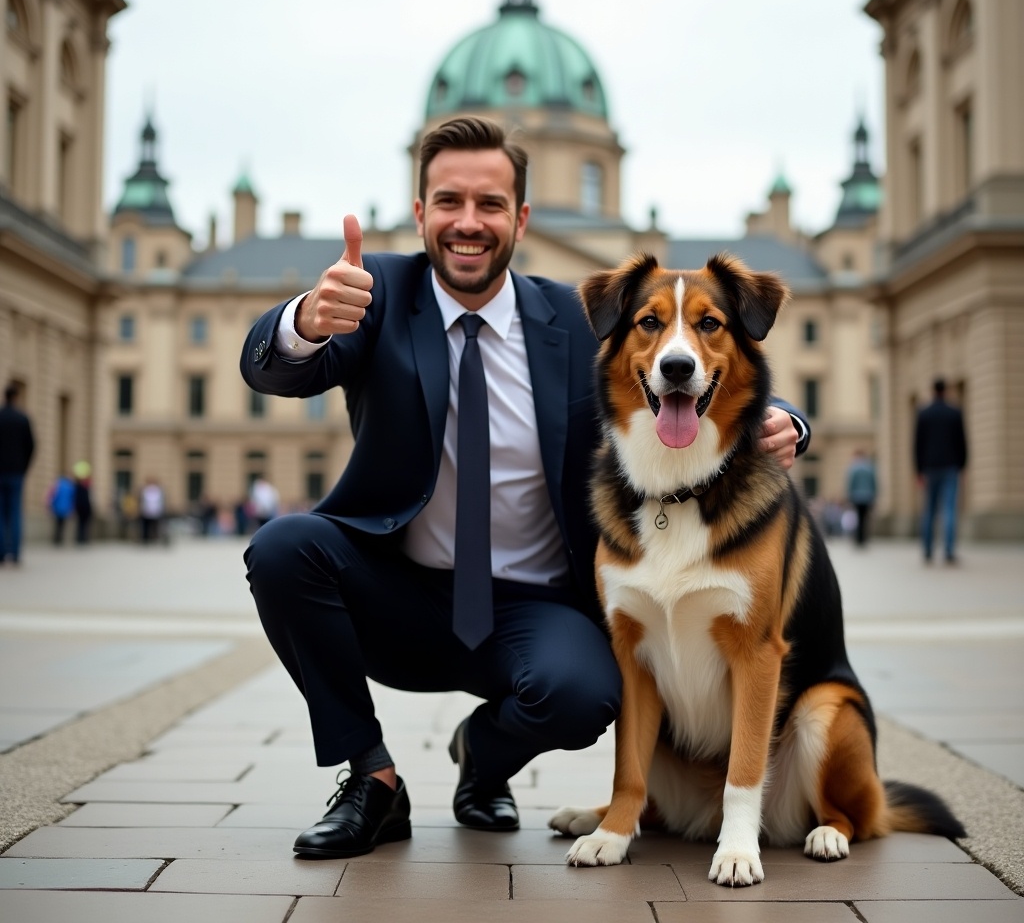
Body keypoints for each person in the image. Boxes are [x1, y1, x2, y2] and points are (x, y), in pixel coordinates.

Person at [240, 116, 811, 860]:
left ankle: (484, 756)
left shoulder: (581, 322)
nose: (468, 223)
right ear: (419, 215)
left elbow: (694, 368)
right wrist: (304, 322)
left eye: (490, 204)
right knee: (283, 549)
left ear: (522, 218)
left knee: (583, 693)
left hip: (533, 607)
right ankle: (372, 780)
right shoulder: (376, 291)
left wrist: (787, 421)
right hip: (397, 592)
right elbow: (272, 370)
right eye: (448, 202)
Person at [915, 378, 967, 564]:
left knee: (929, 509)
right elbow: (962, 442)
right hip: (950, 466)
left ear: (932, 390)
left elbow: (918, 444)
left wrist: (918, 470)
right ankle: (949, 551)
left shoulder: (924, 413)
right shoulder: (954, 412)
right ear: (945, 391)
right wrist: (962, 466)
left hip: (929, 467)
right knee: (949, 509)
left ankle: (928, 550)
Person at [0, 382, 35, 566]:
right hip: (16, 472)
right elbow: (31, 446)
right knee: (14, 512)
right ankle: (14, 553)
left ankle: (0, 552)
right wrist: (23, 467)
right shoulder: (22, 419)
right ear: (16, 397)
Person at [845, 449, 877, 547]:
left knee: (858, 518)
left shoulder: (854, 468)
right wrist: (874, 495)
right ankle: (864, 538)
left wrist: (848, 495)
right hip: (868, 496)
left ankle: (858, 539)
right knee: (865, 519)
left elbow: (850, 483)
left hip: (856, 496)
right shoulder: (870, 467)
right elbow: (874, 482)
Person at [47, 473, 76, 545]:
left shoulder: (57, 485)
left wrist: (50, 506)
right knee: (62, 525)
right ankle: (60, 539)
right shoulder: (70, 487)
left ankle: (56, 539)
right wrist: (71, 509)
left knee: (57, 524)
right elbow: (72, 499)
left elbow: (53, 497)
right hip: (65, 509)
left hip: (57, 508)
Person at [73, 461, 93, 545]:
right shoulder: (83, 487)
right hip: (83, 508)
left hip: (81, 508)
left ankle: (81, 538)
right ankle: (82, 538)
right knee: (82, 524)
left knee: (81, 524)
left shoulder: (78, 486)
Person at [139, 479, 165, 544]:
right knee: (146, 527)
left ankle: (154, 539)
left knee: (155, 527)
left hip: (156, 512)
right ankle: (146, 539)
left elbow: (161, 502)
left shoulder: (158, 491)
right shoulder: (145, 490)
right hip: (146, 512)